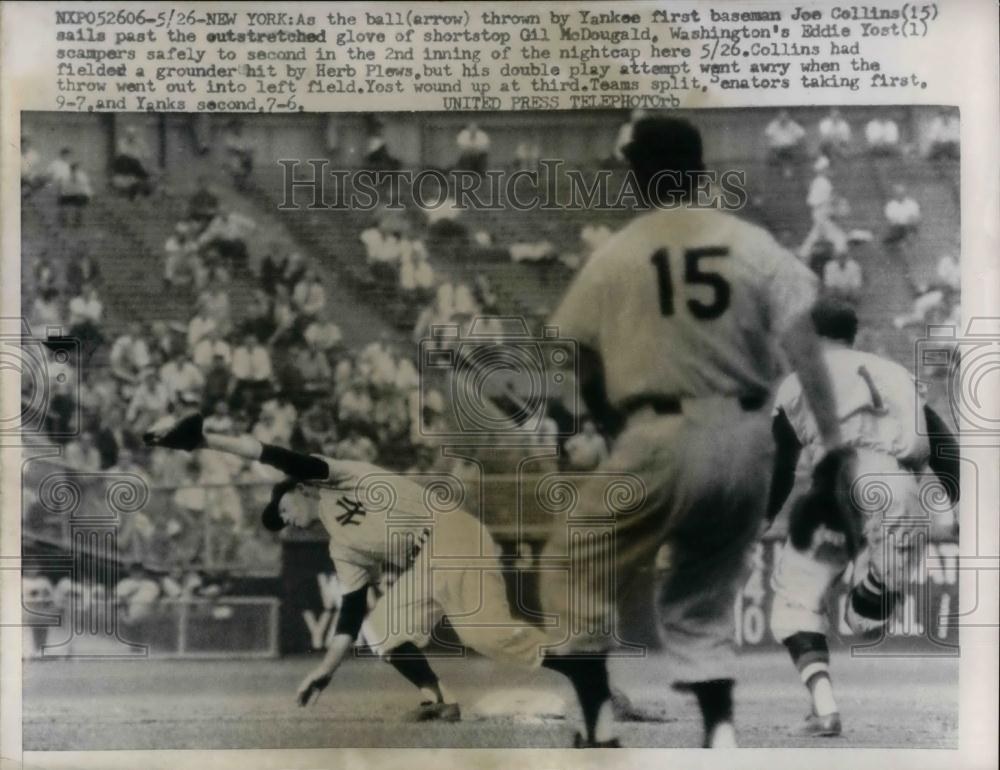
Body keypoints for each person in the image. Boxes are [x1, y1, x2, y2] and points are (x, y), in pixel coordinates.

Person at [540, 116, 842, 748]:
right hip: (744, 438)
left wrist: (607, 422)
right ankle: (720, 732)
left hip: (659, 430)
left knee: (574, 563)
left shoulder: (619, 251)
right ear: (700, 171)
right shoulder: (750, 242)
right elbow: (805, 347)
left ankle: (596, 720)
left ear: (638, 176)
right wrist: (835, 447)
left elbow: (572, 354)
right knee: (702, 596)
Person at [143, 414, 624, 736]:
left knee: (490, 637)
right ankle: (436, 697)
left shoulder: (333, 476)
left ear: (297, 490)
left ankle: (587, 675)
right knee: (381, 629)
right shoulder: (341, 545)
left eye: (281, 506)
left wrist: (207, 440)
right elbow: (350, 615)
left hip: (449, 533)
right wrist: (324, 670)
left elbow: (274, 454)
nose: (282, 517)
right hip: (427, 560)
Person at [766, 300, 958, 737]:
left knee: (795, 605)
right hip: (899, 490)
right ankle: (876, 587)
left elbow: (780, 467)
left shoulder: (800, 380)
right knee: (863, 620)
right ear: (853, 335)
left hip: (835, 484)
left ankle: (825, 708)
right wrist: (951, 502)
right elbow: (946, 450)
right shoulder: (893, 373)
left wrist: (762, 519)